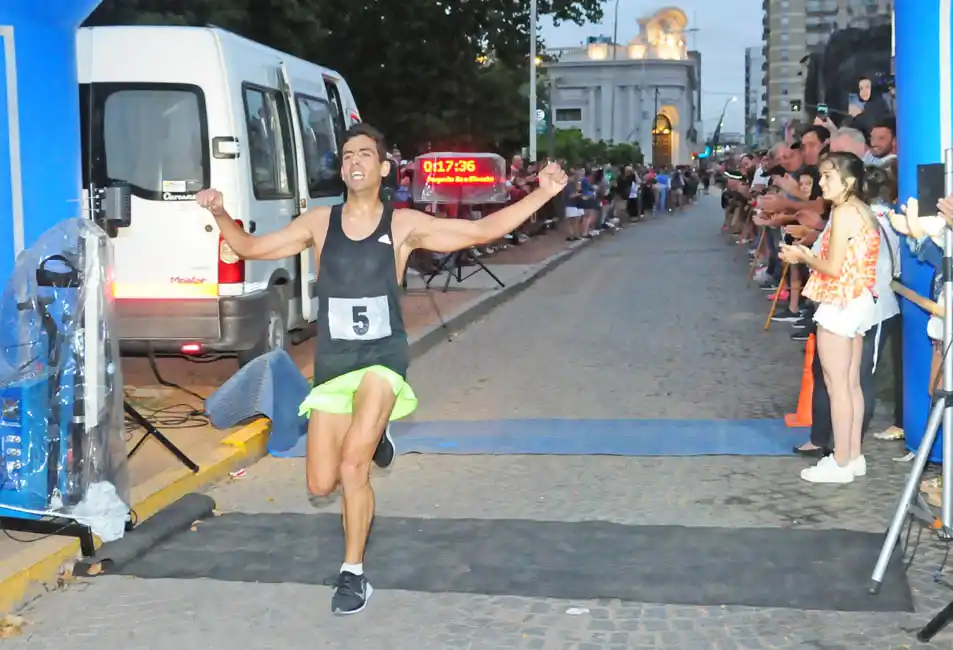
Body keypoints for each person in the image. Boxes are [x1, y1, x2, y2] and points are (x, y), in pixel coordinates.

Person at [195, 123, 569, 615]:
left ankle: (354, 574)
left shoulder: (402, 225)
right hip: (335, 363)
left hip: (381, 358)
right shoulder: (318, 223)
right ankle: (377, 435)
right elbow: (252, 249)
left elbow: (480, 231)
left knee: (354, 464)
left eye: (365, 154)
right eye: (348, 154)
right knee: (319, 484)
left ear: (383, 167)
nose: (355, 161)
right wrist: (221, 213)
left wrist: (543, 193)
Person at [780, 152, 880, 484]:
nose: (821, 183)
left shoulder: (845, 212)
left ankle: (841, 461)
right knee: (850, 385)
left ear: (848, 181)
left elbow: (834, 267)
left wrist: (802, 255)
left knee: (838, 386)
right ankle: (851, 456)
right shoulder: (861, 210)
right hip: (858, 298)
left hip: (840, 300)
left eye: (827, 177)